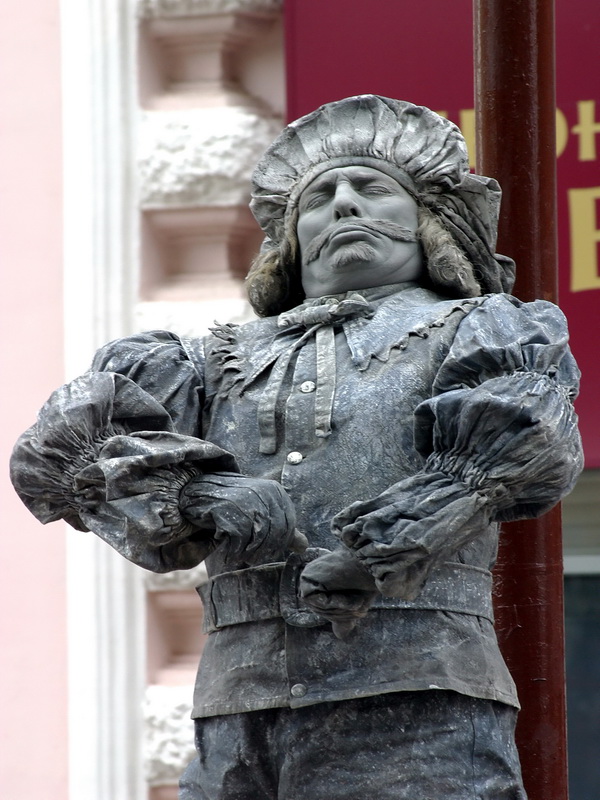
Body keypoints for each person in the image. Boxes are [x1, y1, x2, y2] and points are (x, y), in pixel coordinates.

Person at [11, 96, 583, 800]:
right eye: (319, 197)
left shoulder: (482, 326)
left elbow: (524, 440)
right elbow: (63, 453)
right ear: (292, 238)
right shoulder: (206, 359)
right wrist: (198, 491)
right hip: (238, 712)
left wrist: (380, 552)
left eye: (371, 187)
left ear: (426, 220)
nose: (343, 203)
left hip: (417, 698)